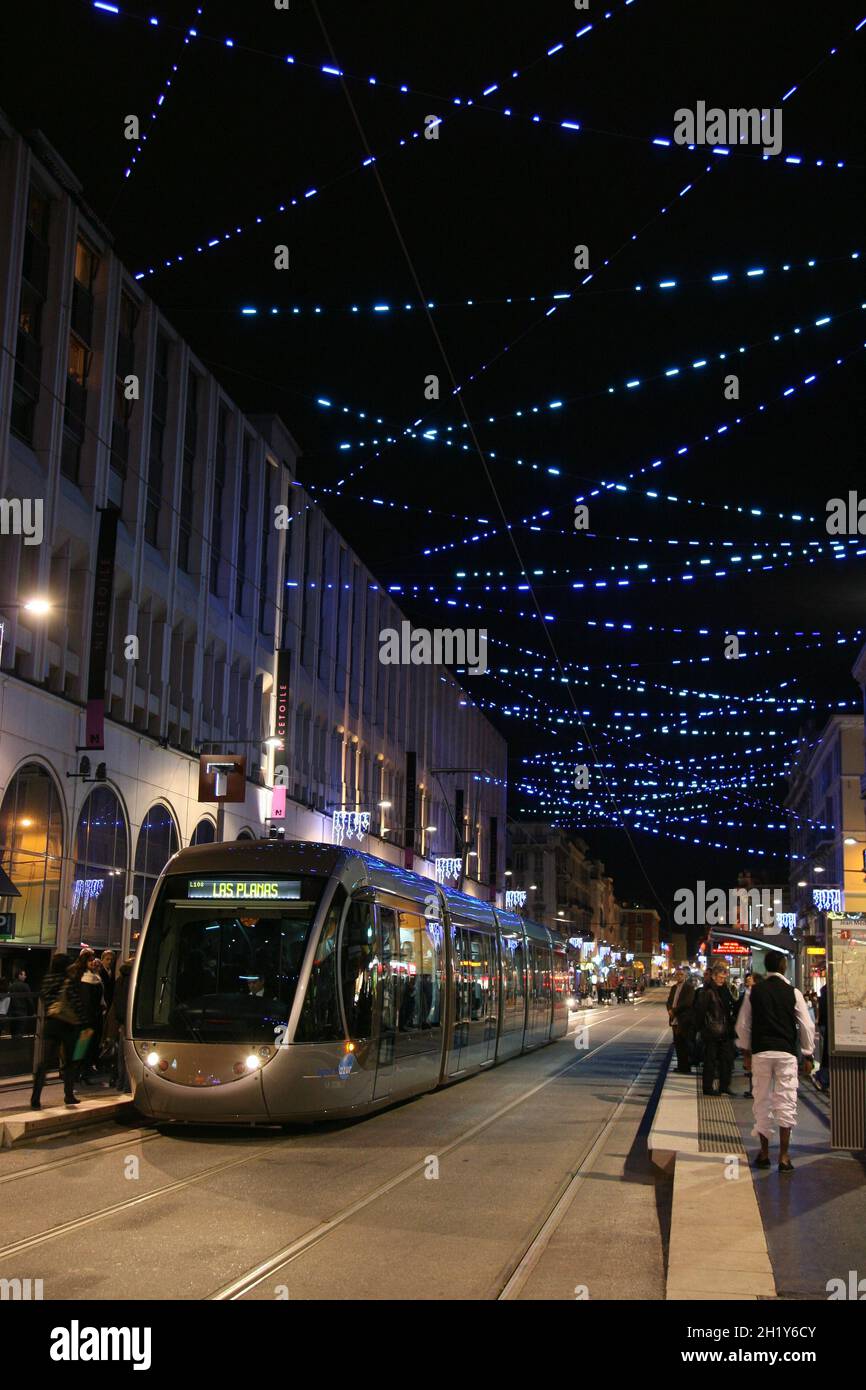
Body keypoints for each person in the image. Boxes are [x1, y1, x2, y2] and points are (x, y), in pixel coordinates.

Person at [735, 951, 815, 1173]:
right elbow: (807, 1025)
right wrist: (808, 1053)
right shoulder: (794, 993)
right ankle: (784, 1156)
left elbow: (743, 1024)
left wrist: (746, 1052)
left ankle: (763, 1153)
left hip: (761, 1052)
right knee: (786, 1100)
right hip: (786, 1053)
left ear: (766, 968)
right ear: (783, 967)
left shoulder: (754, 992)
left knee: (762, 1100)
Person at [30, 953, 86, 1108]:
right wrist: (82, 1020)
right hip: (67, 1025)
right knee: (69, 1061)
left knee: (44, 1062)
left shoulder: (47, 980)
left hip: (50, 1023)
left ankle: (35, 1097)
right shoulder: (67, 980)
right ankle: (68, 1095)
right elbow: (75, 1001)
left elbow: (43, 998)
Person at [694, 961, 736, 1095]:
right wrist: (700, 1029)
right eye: (720, 977)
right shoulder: (707, 991)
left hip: (725, 1031)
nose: (722, 980)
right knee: (710, 1060)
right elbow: (700, 1011)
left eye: (724, 978)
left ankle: (724, 1086)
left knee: (727, 1060)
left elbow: (731, 1006)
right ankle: (708, 1087)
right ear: (713, 976)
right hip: (712, 1031)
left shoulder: (725, 990)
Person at [667, 969, 697, 1074]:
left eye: (681, 974)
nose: (679, 976)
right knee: (678, 1044)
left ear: (685, 976)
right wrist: (669, 1010)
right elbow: (669, 1001)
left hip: (683, 1019)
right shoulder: (674, 988)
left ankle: (686, 1067)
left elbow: (687, 1003)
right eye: (677, 974)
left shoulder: (689, 988)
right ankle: (681, 1066)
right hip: (674, 1019)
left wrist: (674, 1011)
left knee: (684, 1044)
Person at [8, 968, 35, 1037]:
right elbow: (29, 999)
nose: (25, 976)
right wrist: (32, 1012)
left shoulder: (11, 986)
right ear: (19, 976)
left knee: (13, 1033)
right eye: (24, 975)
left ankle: (12, 1046)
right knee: (20, 1032)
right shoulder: (25, 986)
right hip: (22, 1012)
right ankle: (18, 1046)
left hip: (12, 1012)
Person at [814, 984, 830, 1091]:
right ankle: (824, 1078)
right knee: (827, 1051)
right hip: (828, 1024)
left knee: (826, 1050)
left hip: (824, 1024)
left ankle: (823, 1078)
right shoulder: (829, 991)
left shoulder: (824, 991)